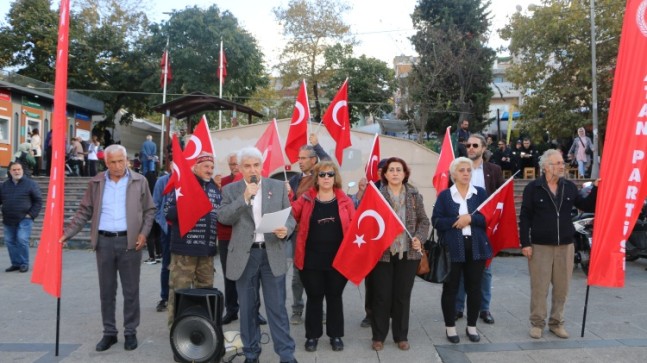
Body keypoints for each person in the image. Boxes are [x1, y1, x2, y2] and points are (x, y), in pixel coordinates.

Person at [60, 144, 155, 352]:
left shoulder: (140, 181)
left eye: (121, 161)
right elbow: (84, 211)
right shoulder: (96, 182)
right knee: (107, 291)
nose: (117, 166)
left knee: (131, 291)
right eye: (112, 162)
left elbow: (150, 210)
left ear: (127, 160)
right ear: (106, 163)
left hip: (129, 243)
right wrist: (67, 234)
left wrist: (143, 233)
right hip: (104, 243)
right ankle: (109, 333)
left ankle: (130, 332)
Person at [218, 146, 297, 363]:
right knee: (247, 309)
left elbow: (290, 218)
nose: (253, 169)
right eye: (247, 166)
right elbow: (223, 217)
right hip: (245, 257)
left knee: (277, 309)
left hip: (272, 254)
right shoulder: (231, 190)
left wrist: (286, 230)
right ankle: (251, 354)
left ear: (262, 166)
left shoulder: (278, 187)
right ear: (240, 169)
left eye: (256, 165)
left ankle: (287, 355)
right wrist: (244, 198)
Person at [519, 149, 598, 339]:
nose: (562, 166)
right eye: (558, 163)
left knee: (562, 287)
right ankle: (537, 323)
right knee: (539, 287)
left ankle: (557, 323)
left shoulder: (569, 187)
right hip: (540, 246)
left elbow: (587, 206)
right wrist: (525, 243)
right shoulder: (533, 188)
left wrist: (596, 188)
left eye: (562, 163)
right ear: (546, 167)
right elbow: (525, 217)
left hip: (566, 245)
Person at [291, 160, 355, 352]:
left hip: (338, 260)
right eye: (322, 174)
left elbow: (354, 228)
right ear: (316, 179)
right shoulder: (306, 199)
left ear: (335, 178)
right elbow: (290, 215)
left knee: (335, 297)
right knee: (314, 297)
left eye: (330, 174)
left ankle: (335, 336)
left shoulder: (345, 201)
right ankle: (312, 337)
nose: (326, 178)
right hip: (310, 260)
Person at [367, 157, 429, 352]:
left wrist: (419, 237)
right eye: (391, 170)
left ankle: (401, 336)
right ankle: (378, 336)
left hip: (408, 253)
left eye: (398, 170)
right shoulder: (376, 195)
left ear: (404, 174)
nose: (395, 173)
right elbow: (368, 222)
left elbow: (424, 221)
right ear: (384, 174)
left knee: (402, 296)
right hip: (382, 254)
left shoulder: (414, 195)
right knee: (381, 296)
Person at [432, 157, 492, 344]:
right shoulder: (445, 196)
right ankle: (450, 328)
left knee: (474, 288)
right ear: (453, 174)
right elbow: (436, 221)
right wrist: (457, 220)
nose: (466, 173)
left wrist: (471, 219)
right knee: (450, 288)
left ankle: (472, 327)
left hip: (476, 248)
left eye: (468, 170)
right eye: (462, 170)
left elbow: (488, 218)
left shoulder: (480, 193)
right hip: (452, 249)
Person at [165, 152, 220, 328]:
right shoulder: (183, 186)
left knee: (206, 289)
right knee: (179, 290)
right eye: (206, 166)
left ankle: (202, 324)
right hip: (184, 251)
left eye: (211, 167)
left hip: (207, 251)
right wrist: (189, 202)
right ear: (195, 168)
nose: (209, 170)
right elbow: (169, 213)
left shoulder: (214, 189)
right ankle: (176, 327)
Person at [455, 134, 504, 325]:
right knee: (459, 269)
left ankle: (484, 309)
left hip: (484, 227)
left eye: (475, 145)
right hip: (461, 225)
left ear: (484, 148)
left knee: (485, 270)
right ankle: (458, 308)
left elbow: (500, 196)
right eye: (468, 145)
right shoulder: (459, 169)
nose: (471, 148)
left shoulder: (494, 170)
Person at [287, 134, 330, 325]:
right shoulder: (295, 180)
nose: (300, 161)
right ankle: (297, 309)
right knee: (298, 273)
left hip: (319, 233)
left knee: (318, 273)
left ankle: (318, 310)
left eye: (304, 158)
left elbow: (329, 163)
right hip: (298, 234)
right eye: (299, 158)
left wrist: (317, 145)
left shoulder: (321, 176)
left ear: (314, 160)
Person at [1, 162, 43, 273]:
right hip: (8, 218)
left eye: (19, 169)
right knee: (9, 241)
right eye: (14, 170)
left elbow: (38, 201)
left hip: (25, 218)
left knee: (22, 239)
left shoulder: (30, 184)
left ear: (22, 170)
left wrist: (31, 215)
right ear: (10, 172)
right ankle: (15, 263)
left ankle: (24, 263)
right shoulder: (4, 185)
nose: (17, 171)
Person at [152, 171, 172, 312]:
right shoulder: (162, 182)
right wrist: (163, 223)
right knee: (167, 264)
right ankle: (165, 297)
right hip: (167, 230)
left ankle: (185, 297)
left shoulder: (189, 179)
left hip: (186, 231)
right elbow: (155, 205)